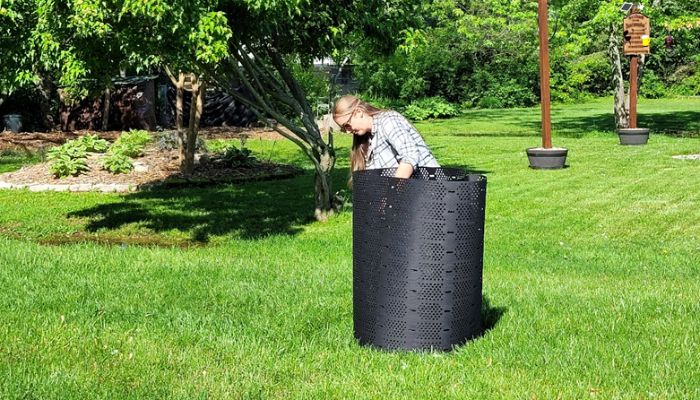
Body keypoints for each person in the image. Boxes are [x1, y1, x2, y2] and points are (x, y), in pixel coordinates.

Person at [332, 95, 439, 183]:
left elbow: (410, 155)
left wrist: (391, 194)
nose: (347, 131)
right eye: (343, 128)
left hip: (431, 192)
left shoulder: (388, 120)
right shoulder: (366, 139)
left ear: (358, 112)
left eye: (347, 125)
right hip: (409, 200)